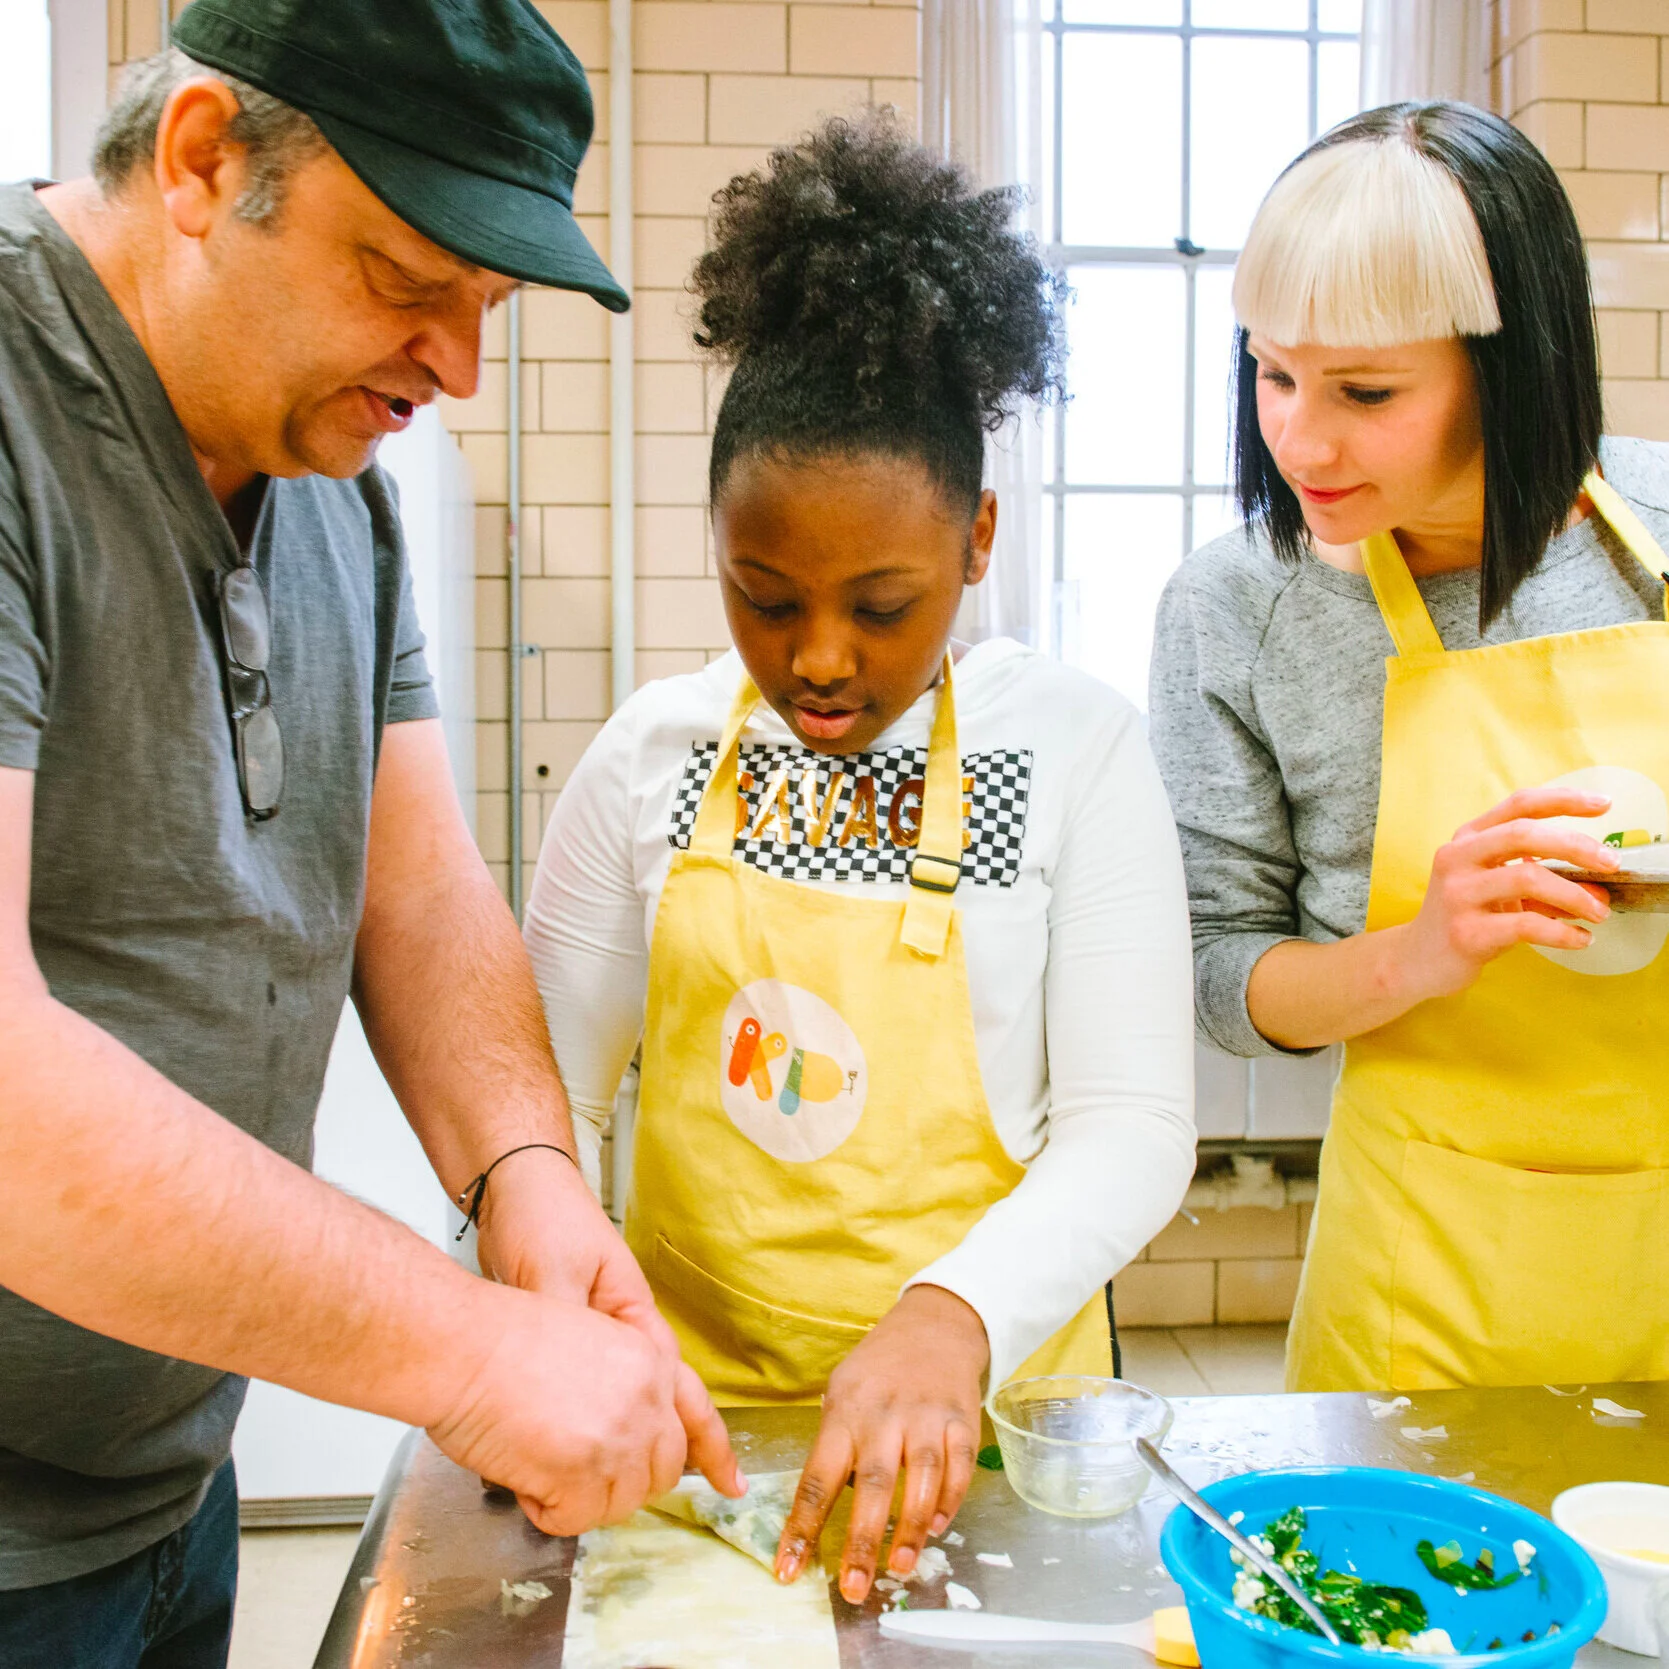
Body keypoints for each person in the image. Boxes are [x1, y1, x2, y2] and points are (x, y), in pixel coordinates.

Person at [0, 0, 739, 1661]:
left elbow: (413, 888)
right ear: (204, 161)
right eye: (410, 284)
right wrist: (473, 1355)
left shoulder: (340, 478)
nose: (458, 366)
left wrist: (529, 1177)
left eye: (486, 306)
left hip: (163, 1477)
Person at [524, 114, 1196, 1607]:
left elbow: (1134, 1128)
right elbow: (548, 1103)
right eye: (766, 597)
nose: (818, 661)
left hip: (997, 1425)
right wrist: (557, 1327)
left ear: (977, 543)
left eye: (882, 606)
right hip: (692, 1434)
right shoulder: (654, 756)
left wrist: (953, 1316)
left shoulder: (1074, 757)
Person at [1148, 101, 1669, 1395]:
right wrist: (1422, 954)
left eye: (1365, 391)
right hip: (1423, 1280)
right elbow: (1218, 974)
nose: (1300, 438)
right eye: (1272, 373)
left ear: (1512, 364)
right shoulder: (1239, 608)